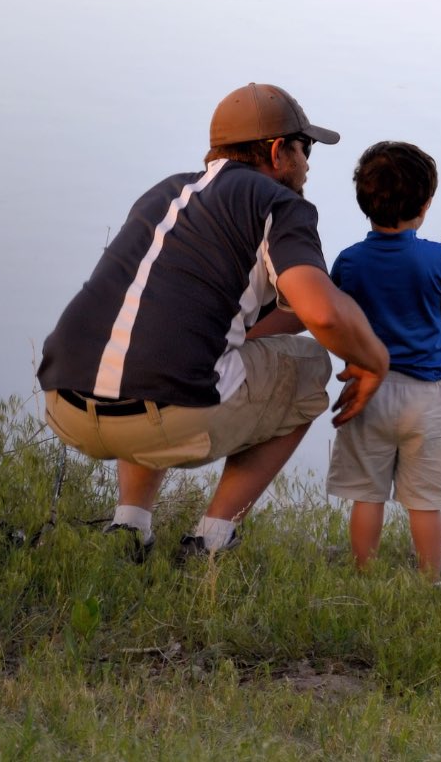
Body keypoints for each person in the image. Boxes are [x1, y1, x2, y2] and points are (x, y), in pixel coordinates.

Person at [38, 83, 389, 561]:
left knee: (144, 344)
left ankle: (130, 527)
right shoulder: (280, 204)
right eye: (305, 148)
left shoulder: (164, 192)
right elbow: (322, 313)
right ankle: (212, 539)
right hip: (165, 421)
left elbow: (190, 312)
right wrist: (374, 361)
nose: (308, 162)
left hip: (67, 405)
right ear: (277, 152)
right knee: (310, 367)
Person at [325, 142, 441, 581]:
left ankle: (364, 574)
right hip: (423, 398)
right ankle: (431, 582)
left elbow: (336, 317)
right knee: (425, 500)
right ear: (425, 206)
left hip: (366, 392)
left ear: (363, 202)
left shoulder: (349, 261)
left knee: (367, 494)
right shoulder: (437, 257)